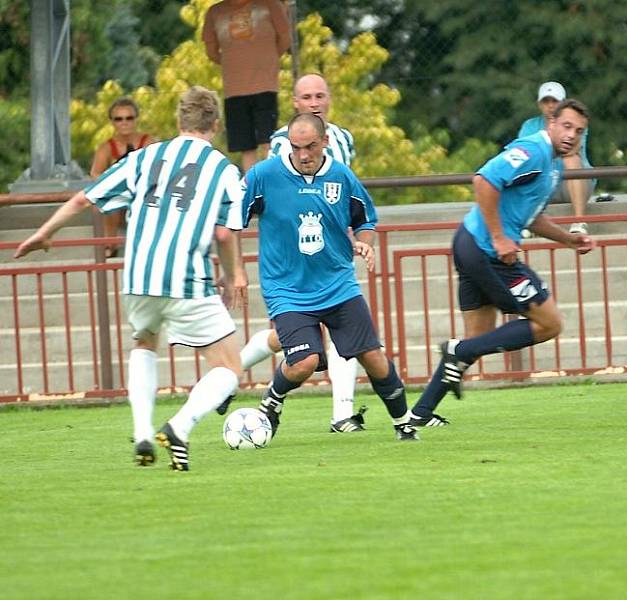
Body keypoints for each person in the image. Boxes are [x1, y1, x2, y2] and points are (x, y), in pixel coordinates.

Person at [15, 86, 248, 471]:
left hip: (138, 274)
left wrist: (46, 232)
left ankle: (142, 432)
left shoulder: (146, 156)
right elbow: (224, 233)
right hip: (185, 277)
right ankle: (180, 425)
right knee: (229, 367)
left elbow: (84, 198)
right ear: (216, 125)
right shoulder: (223, 169)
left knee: (144, 341)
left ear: (178, 122)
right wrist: (234, 273)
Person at [411, 99, 595, 427]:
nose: (571, 135)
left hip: (471, 244)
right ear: (550, 122)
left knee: (475, 340)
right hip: (487, 250)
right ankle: (456, 352)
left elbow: (531, 216)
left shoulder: (553, 164)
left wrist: (569, 239)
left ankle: (420, 413)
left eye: (579, 131)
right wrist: (498, 237)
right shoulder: (534, 150)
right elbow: (484, 180)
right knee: (550, 322)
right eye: (566, 126)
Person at [241, 112, 418, 441]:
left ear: (324, 142)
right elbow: (230, 218)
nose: (303, 155)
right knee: (305, 361)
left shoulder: (341, 176)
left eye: (310, 146)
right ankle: (273, 401)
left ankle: (403, 423)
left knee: (374, 359)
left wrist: (364, 245)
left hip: (338, 285)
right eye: (296, 148)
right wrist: (234, 271)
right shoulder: (263, 176)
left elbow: (364, 219)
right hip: (287, 289)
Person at [236, 73, 364, 433]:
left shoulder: (343, 139)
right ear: (295, 103)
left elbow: (343, 191)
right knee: (295, 342)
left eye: (320, 95)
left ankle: (342, 414)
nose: (314, 102)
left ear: (330, 99)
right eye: (306, 97)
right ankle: (231, 374)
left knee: (340, 330)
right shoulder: (282, 142)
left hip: (332, 252)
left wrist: (351, 233)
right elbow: (278, 194)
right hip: (293, 258)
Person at [202, 0, 290, 172]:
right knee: (246, 146)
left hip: (266, 87)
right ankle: (252, 191)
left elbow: (285, 39)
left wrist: (266, 60)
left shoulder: (270, 5)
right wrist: (234, 64)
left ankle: (272, 186)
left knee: (269, 142)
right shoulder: (214, 12)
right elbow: (211, 51)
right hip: (234, 91)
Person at [518, 81, 595, 234]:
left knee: (571, 160)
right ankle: (528, 221)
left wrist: (543, 153)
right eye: (546, 101)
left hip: (572, 183)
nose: (551, 105)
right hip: (544, 181)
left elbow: (571, 151)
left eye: (555, 101)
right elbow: (525, 154)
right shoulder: (529, 125)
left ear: (563, 104)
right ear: (539, 104)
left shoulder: (576, 123)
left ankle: (579, 221)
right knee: (529, 166)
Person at [90, 97, 158, 258]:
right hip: (119, 192)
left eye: (129, 118)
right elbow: (95, 173)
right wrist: (114, 185)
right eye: (119, 119)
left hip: (146, 190)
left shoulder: (148, 142)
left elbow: (159, 168)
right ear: (112, 122)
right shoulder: (106, 147)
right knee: (108, 201)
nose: (124, 122)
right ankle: (110, 245)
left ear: (136, 120)